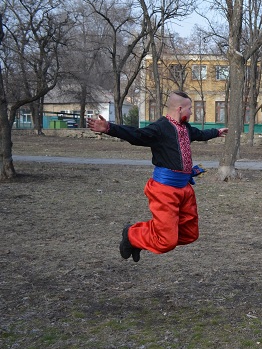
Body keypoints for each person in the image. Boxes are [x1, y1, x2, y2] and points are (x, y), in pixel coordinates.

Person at [86, 91, 228, 262]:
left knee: (190, 234)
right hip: (165, 190)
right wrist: (109, 128)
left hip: (185, 189)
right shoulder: (160, 128)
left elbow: (200, 134)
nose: (191, 112)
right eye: (190, 109)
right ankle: (132, 234)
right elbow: (137, 135)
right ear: (180, 108)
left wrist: (217, 132)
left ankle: (141, 239)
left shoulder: (185, 128)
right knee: (166, 241)